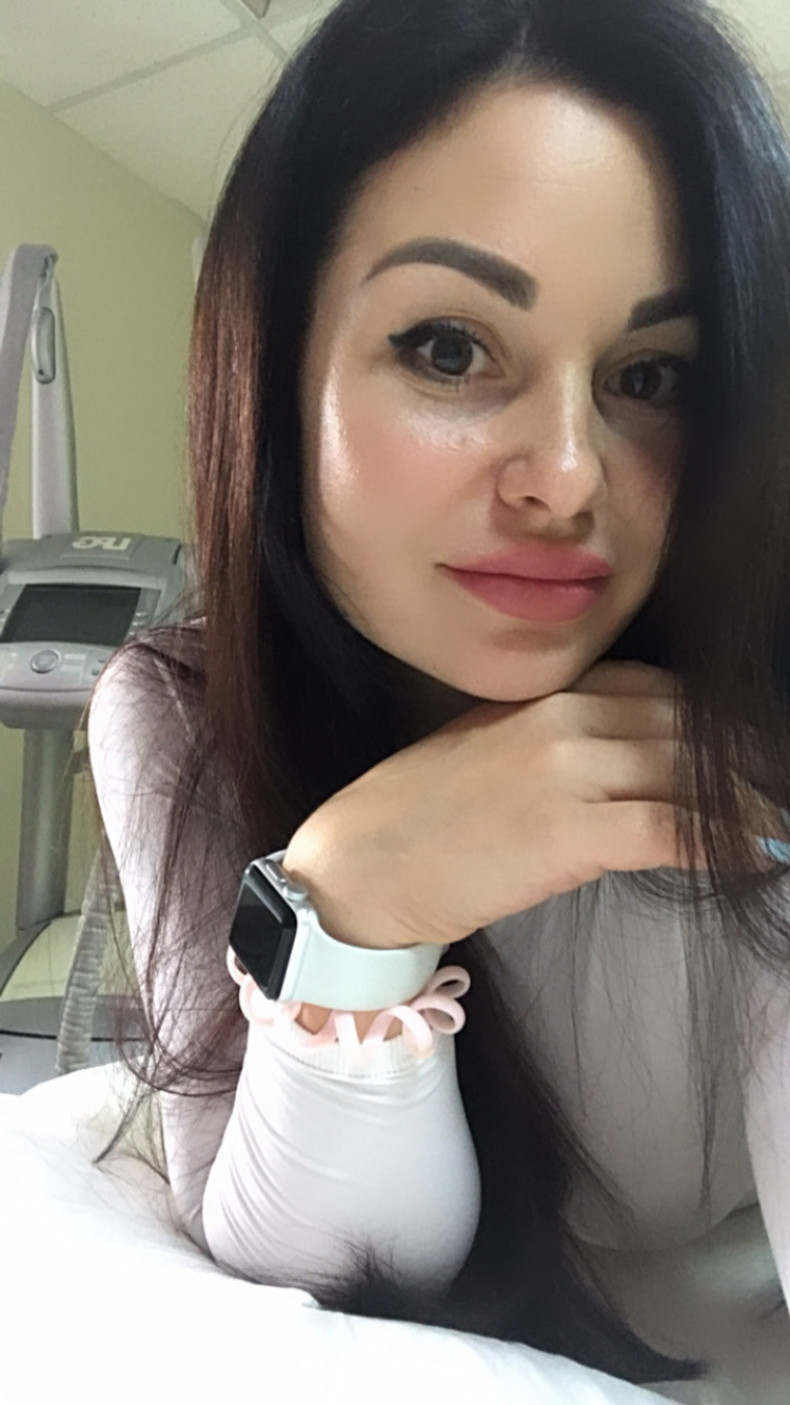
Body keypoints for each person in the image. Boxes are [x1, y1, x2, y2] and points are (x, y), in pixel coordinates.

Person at [86, 0, 790, 1396]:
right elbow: (309, 1271)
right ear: (273, 369)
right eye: (452, 350)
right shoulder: (181, 708)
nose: (568, 477)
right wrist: (357, 904)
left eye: (650, 376)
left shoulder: (756, 694)